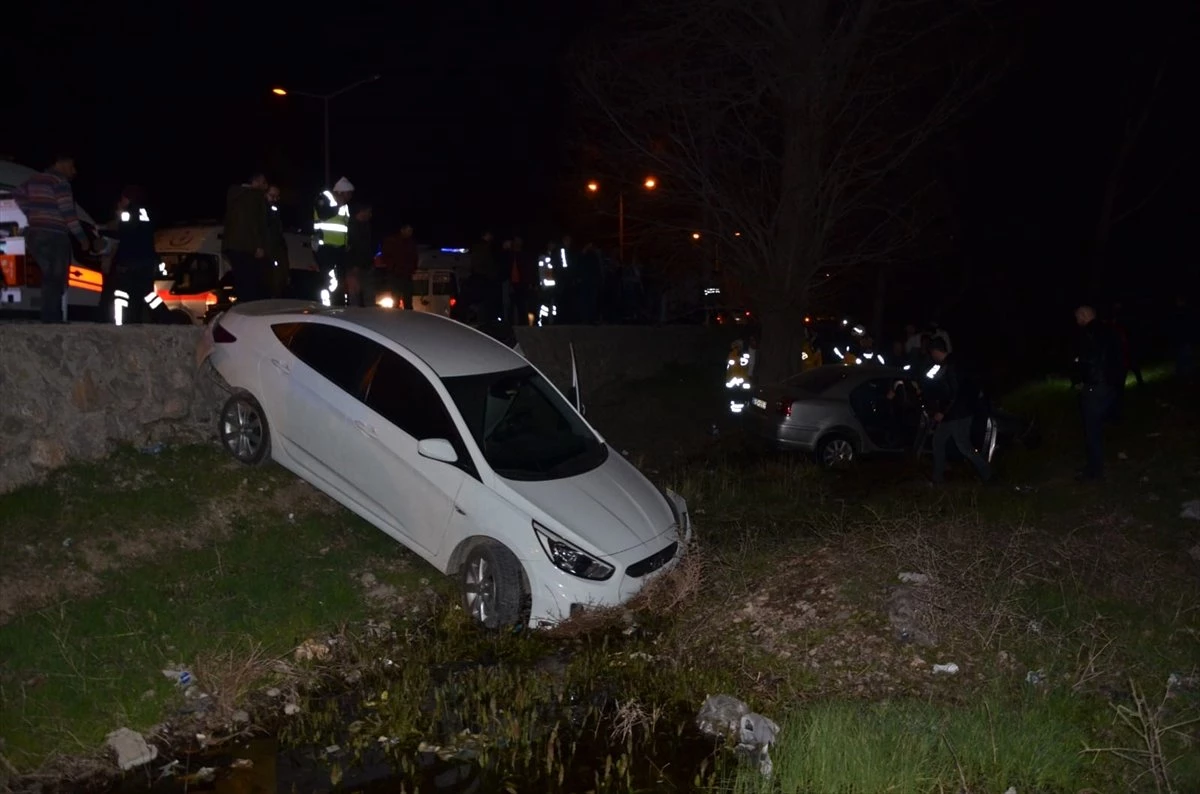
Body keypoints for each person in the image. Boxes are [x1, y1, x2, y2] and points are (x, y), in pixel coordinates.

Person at [12, 154, 98, 323]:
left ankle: (49, 317)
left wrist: (31, 216)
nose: (74, 171)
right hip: (55, 235)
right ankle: (52, 319)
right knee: (57, 277)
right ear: (61, 162)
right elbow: (68, 213)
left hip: (35, 235)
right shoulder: (60, 183)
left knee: (48, 275)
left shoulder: (33, 180)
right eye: (72, 166)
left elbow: (17, 196)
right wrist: (82, 238)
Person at [927, 337, 993, 485]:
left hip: (958, 414)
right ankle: (937, 478)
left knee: (964, 447)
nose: (932, 357)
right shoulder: (949, 364)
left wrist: (942, 411)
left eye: (931, 353)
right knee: (938, 441)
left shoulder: (951, 366)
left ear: (936, 352)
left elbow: (954, 392)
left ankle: (987, 475)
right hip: (953, 413)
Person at [1073, 305, 1123, 481]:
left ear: (1085, 316)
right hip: (1110, 384)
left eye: (1078, 317)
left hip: (1096, 386)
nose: (1077, 321)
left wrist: (1083, 381)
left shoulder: (1089, 333)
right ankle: (1095, 466)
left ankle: (1095, 471)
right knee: (1098, 426)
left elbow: (1089, 361)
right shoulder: (1109, 330)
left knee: (1092, 429)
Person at [108, 187, 158, 325]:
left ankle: (121, 323)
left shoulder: (129, 213)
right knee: (146, 295)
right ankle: (161, 319)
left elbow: (121, 231)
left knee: (122, 295)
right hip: (147, 262)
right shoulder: (146, 212)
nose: (120, 201)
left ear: (128, 198)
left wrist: (119, 214)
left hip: (131, 262)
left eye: (123, 198)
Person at [222, 173, 270, 304]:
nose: (265, 186)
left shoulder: (235, 194)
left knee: (241, 282)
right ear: (256, 181)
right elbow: (255, 223)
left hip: (232, 245)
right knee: (251, 285)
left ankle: (242, 312)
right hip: (246, 246)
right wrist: (259, 245)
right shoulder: (254, 196)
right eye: (263, 182)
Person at [313, 177, 354, 304]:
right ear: (341, 192)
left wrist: (347, 243)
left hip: (340, 249)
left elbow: (345, 227)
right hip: (326, 247)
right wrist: (338, 205)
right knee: (328, 281)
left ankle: (339, 307)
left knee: (339, 282)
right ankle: (326, 308)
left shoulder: (345, 206)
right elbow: (324, 214)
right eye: (349, 193)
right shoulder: (325, 197)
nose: (350, 197)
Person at [381, 224, 418, 310]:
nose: (410, 233)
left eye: (411, 231)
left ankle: (407, 316)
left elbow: (414, 257)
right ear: (402, 230)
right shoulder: (393, 241)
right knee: (396, 298)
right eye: (408, 230)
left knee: (407, 299)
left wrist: (412, 269)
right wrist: (392, 267)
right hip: (396, 274)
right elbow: (386, 256)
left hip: (406, 274)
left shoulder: (411, 243)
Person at [345, 203, 374, 307]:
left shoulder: (366, 226)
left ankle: (370, 319)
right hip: (354, 268)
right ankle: (355, 319)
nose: (370, 215)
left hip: (366, 266)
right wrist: (353, 265)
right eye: (369, 212)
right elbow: (351, 247)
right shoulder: (350, 226)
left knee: (369, 296)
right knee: (354, 295)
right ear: (362, 211)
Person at [264, 186, 290, 298]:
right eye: (272, 196)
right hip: (268, 251)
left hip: (276, 250)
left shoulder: (276, 210)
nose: (274, 199)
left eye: (277, 197)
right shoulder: (262, 209)